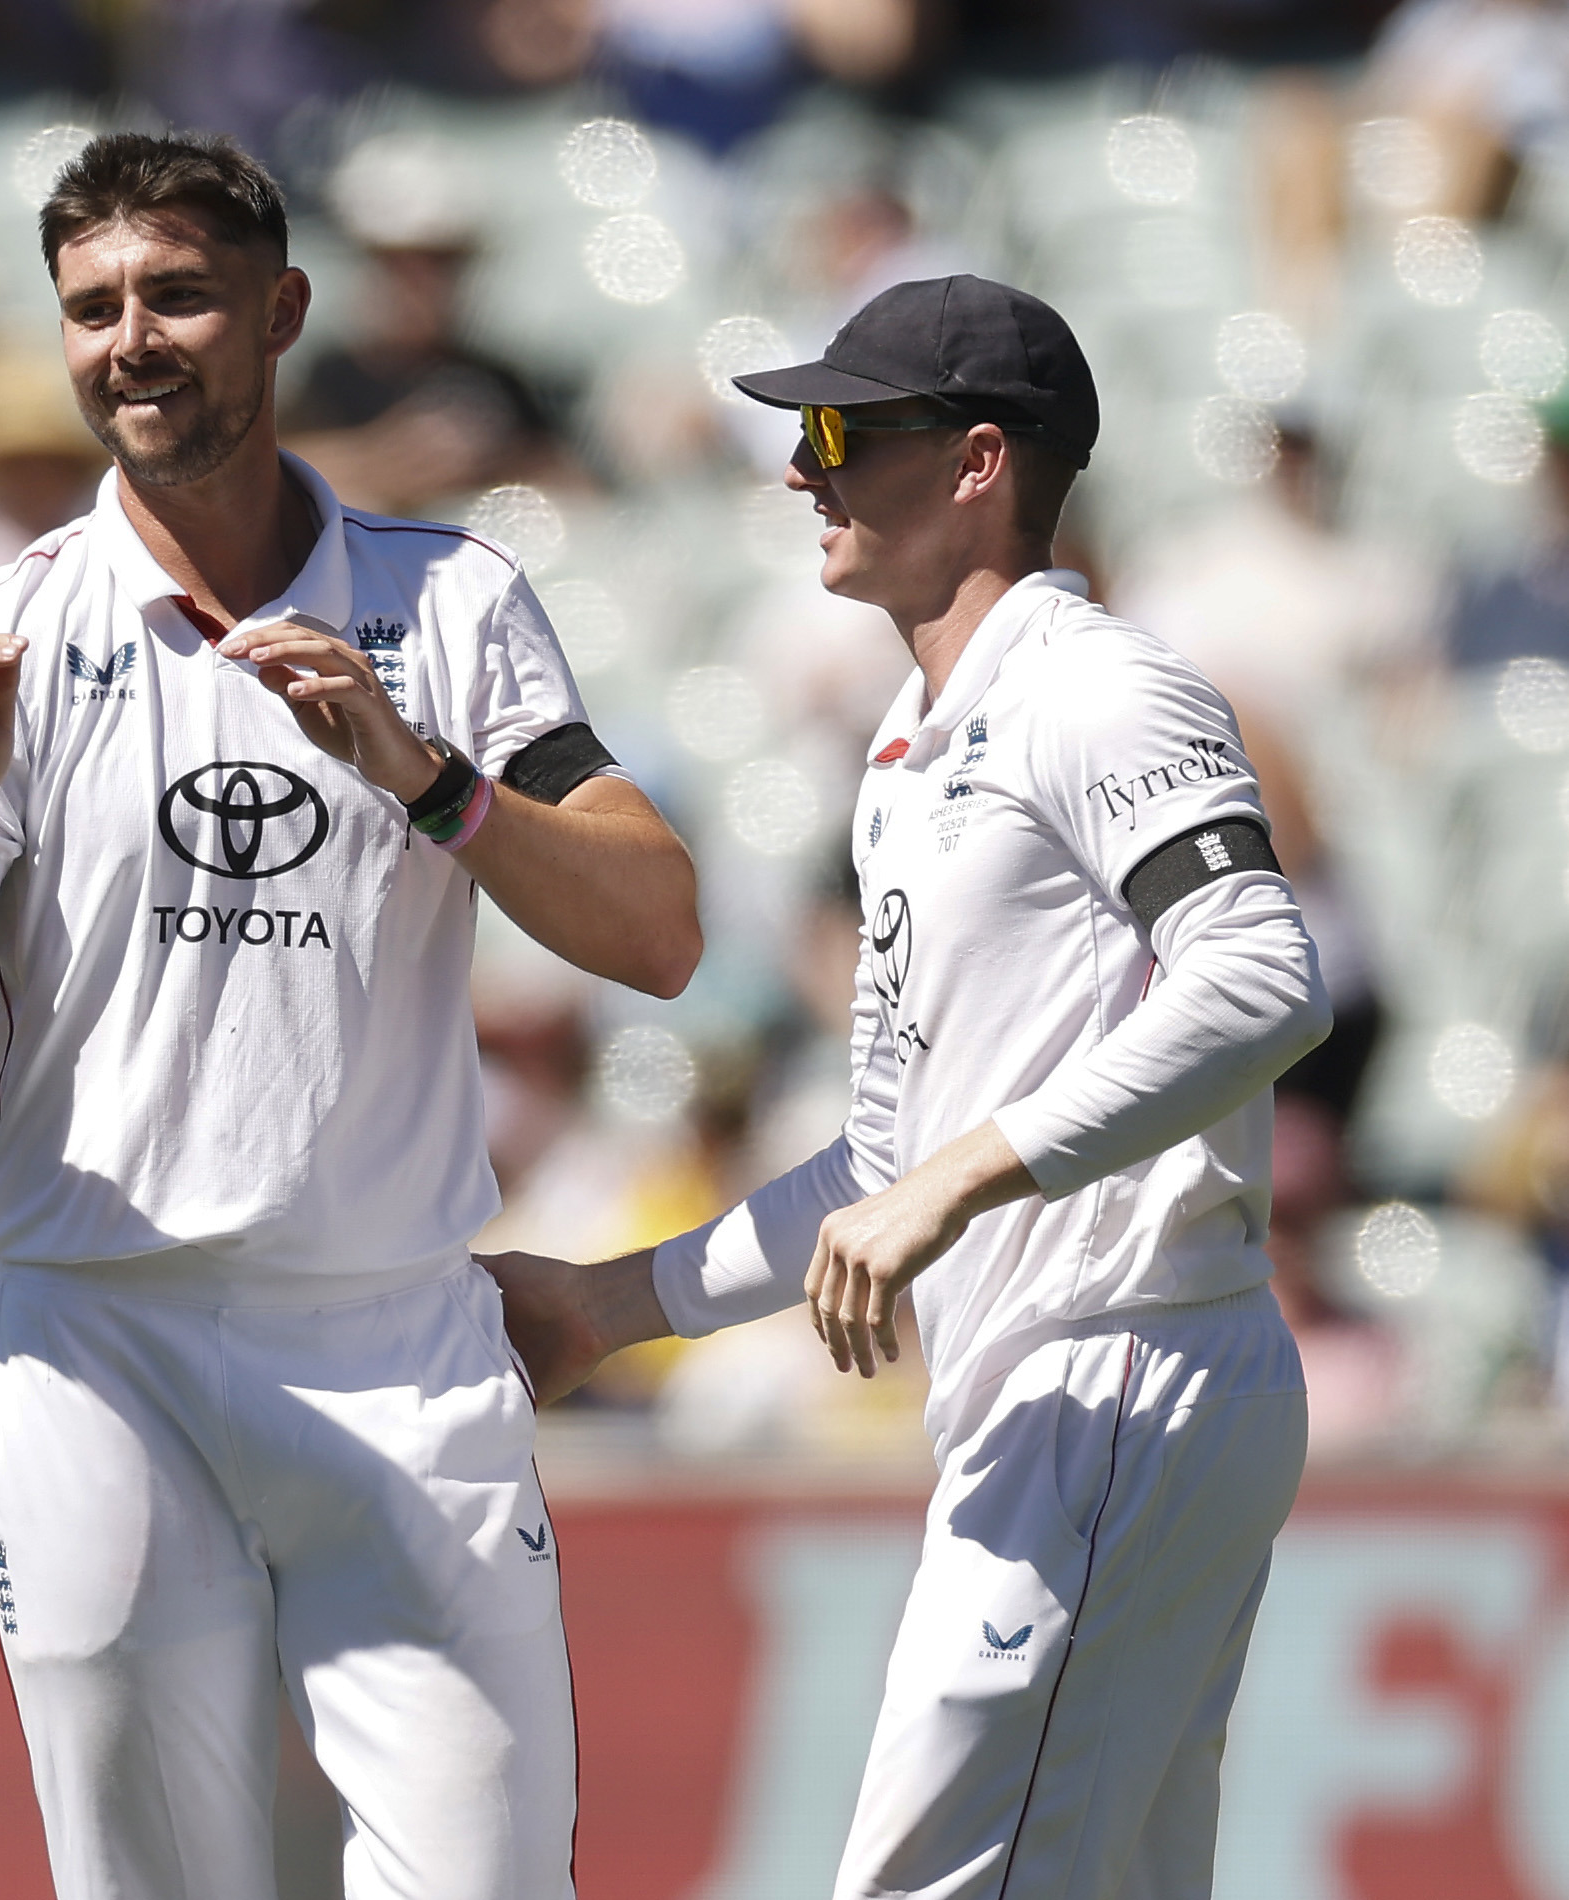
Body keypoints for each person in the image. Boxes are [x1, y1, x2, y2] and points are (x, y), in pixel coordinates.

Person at [0, 132, 701, 1899]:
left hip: (395, 1346)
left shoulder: (451, 602)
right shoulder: (9, 628)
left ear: (280, 312)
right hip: (99, 1355)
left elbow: (656, 928)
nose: (131, 339)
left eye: (177, 295)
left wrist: (429, 781)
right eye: (92, 306)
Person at [485, 276, 1332, 1900]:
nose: (800, 469)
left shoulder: (1095, 685)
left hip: (1121, 1370)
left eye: (838, 431)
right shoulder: (908, 745)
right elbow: (882, 1165)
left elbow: (1255, 975)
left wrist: (955, 1184)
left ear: (974, 464)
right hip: (1061, 1392)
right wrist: (611, 1305)